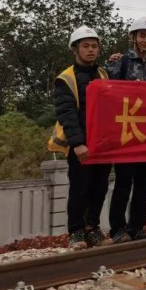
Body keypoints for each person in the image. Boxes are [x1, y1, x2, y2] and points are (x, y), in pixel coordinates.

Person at [106, 16, 146, 243]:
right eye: (142, 35)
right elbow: (109, 92)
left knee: (144, 183)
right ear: (133, 37)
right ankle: (118, 229)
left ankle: (137, 226)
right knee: (123, 183)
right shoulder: (120, 62)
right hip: (126, 132)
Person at [53, 26, 113, 249]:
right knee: (80, 188)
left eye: (94, 46)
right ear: (75, 49)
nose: (90, 50)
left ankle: (92, 228)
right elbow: (67, 113)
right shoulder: (65, 79)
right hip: (81, 145)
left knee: (99, 188)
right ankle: (76, 232)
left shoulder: (103, 74)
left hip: (102, 144)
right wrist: (77, 143)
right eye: (85, 46)